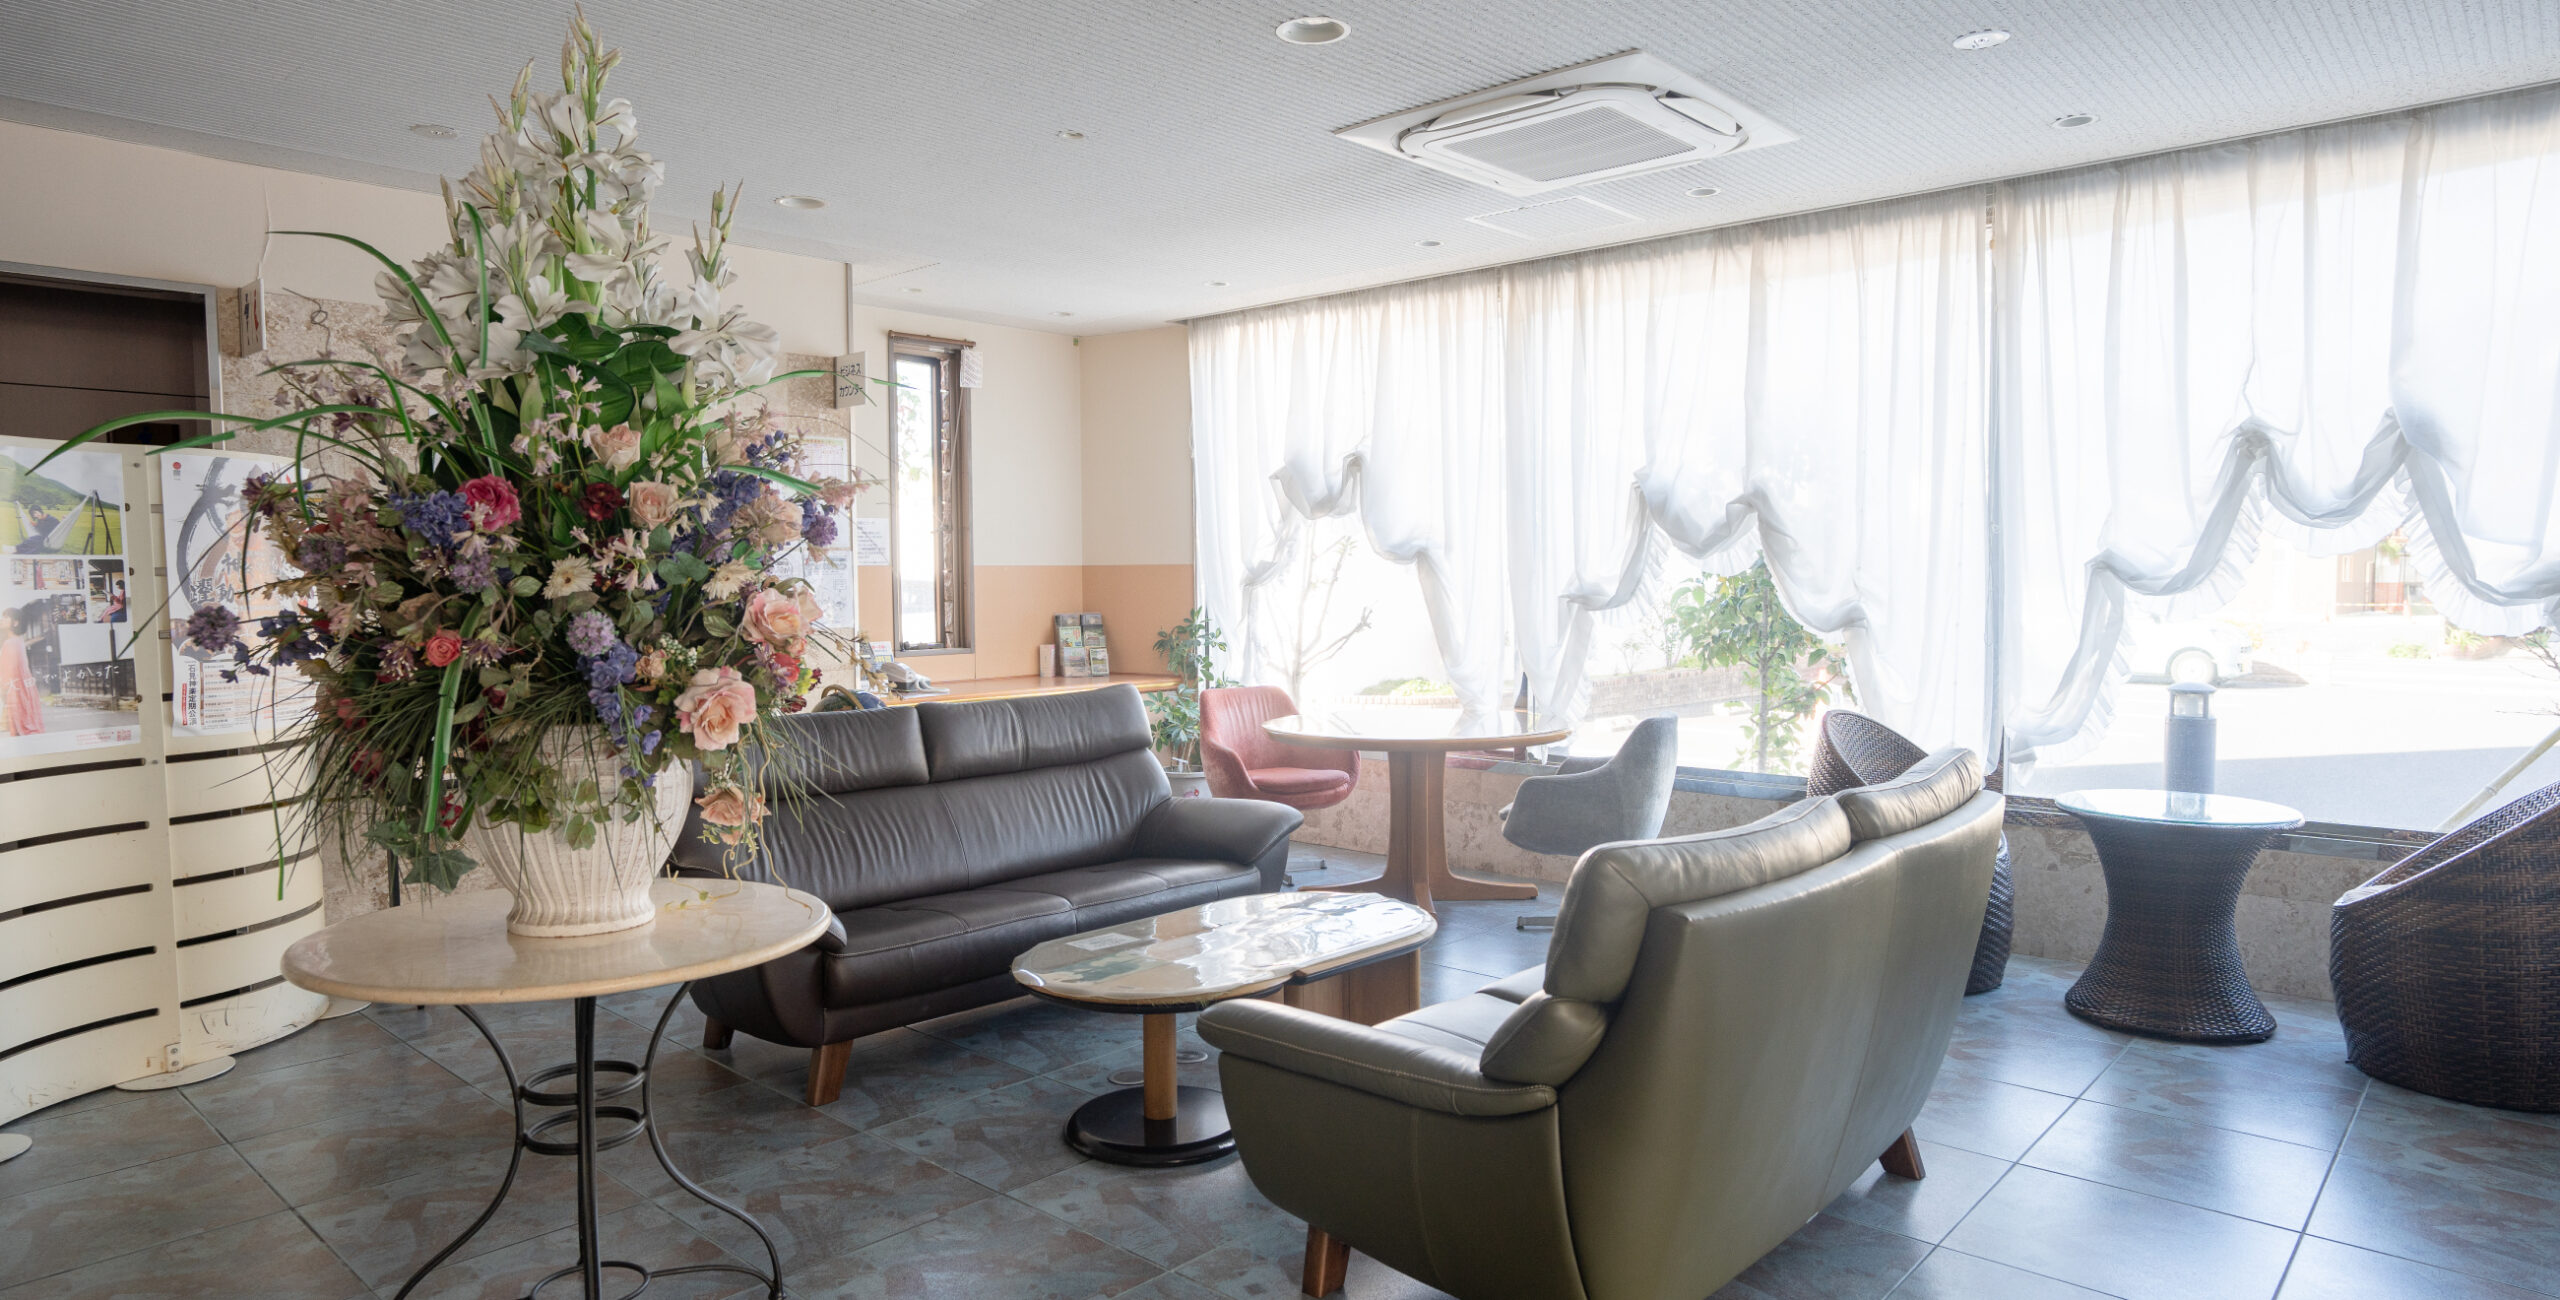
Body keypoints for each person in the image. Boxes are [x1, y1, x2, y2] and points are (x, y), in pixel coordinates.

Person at [1, 604, 41, 737]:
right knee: (26, 725)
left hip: (16, 690)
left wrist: (4, 687)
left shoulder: (10, 643)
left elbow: (9, 670)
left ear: (15, 622)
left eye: (6, 617)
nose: (2, 620)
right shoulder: (19, 641)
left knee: (21, 728)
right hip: (24, 689)